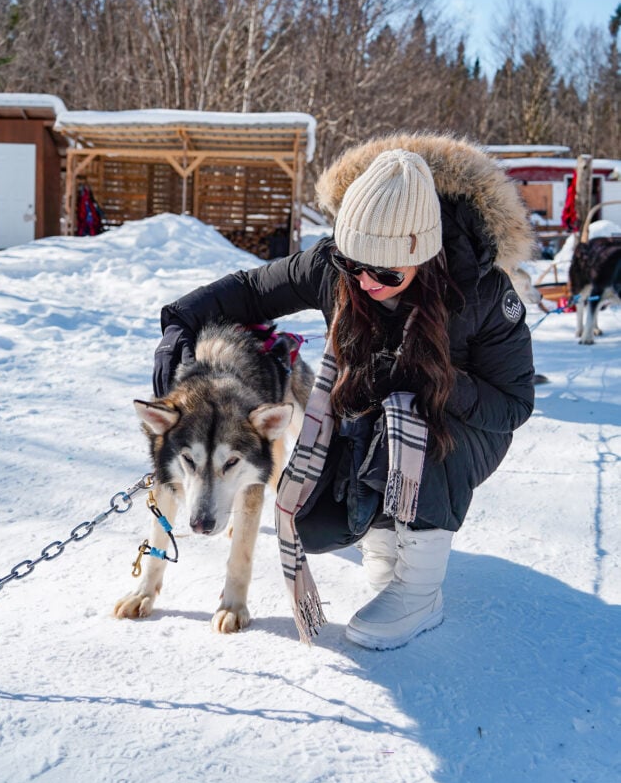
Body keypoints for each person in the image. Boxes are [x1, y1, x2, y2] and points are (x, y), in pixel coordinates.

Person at [152, 133, 535, 649]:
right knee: (350, 431)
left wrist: (434, 379)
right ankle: (383, 553)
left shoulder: (482, 293)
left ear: (423, 254)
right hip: (373, 414)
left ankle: (421, 590)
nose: (366, 283)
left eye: (384, 272)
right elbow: (247, 292)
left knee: (412, 421)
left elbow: (512, 404)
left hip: (463, 427)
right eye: (355, 266)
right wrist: (179, 325)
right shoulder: (335, 267)